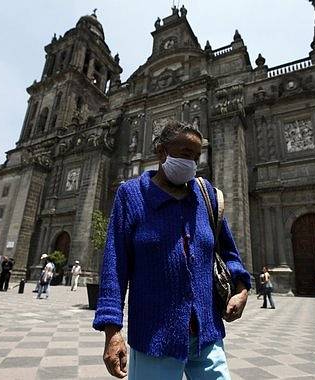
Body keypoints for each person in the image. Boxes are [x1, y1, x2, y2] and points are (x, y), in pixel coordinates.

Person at [93, 120, 251, 379]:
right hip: (155, 337)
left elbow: (229, 254)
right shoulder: (131, 196)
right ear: (161, 152)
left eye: (196, 156)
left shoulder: (207, 195)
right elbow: (114, 267)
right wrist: (112, 331)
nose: (192, 162)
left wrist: (242, 289)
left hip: (207, 335)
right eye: (185, 153)